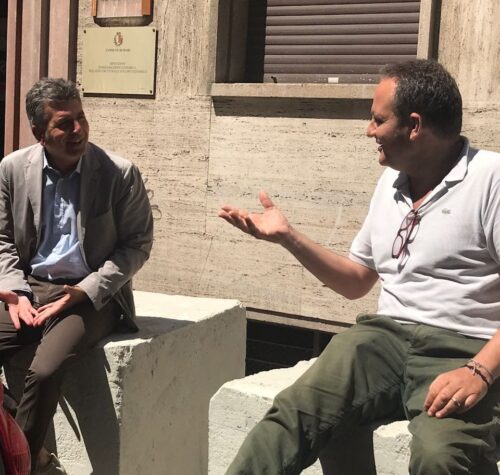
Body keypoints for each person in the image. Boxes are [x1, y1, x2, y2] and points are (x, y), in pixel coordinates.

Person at [219, 59, 500, 474]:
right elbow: (356, 281)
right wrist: (288, 237)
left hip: (463, 349)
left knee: (441, 456)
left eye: (378, 119)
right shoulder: (391, 182)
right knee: (296, 412)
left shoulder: (490, 179)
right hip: (382, 341)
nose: (369, 130)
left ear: (414, 125)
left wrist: (480, 371)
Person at [0, 78, 153, 474]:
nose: (78, 130)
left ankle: (20, 465)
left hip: (92, 295)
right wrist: (14, 291)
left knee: (44, 371)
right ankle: (32, 454)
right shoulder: (13, 168)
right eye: (64, 124)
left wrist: (84, 291)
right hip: (30, 287)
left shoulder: (119, 172)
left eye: (81, 118)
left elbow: (137, 245)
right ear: (39, 132)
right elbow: (3, 240)